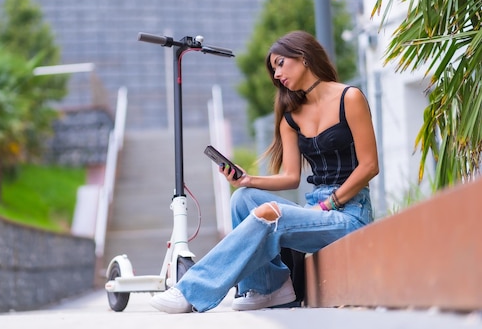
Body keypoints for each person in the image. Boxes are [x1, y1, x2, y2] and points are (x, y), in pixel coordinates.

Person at [150, 30, 379, 313]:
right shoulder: (291, 116)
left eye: (280, 63)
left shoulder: (350, 98)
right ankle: (267, 287)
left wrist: (329, 203)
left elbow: (370, 166)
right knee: (242, 198)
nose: (277, 74)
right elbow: (291, 177)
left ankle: (190, 290)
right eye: (274, 69)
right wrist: (248, 180)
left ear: (303, 57)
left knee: (271, 213)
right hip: (314, 211)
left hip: (350, 215)